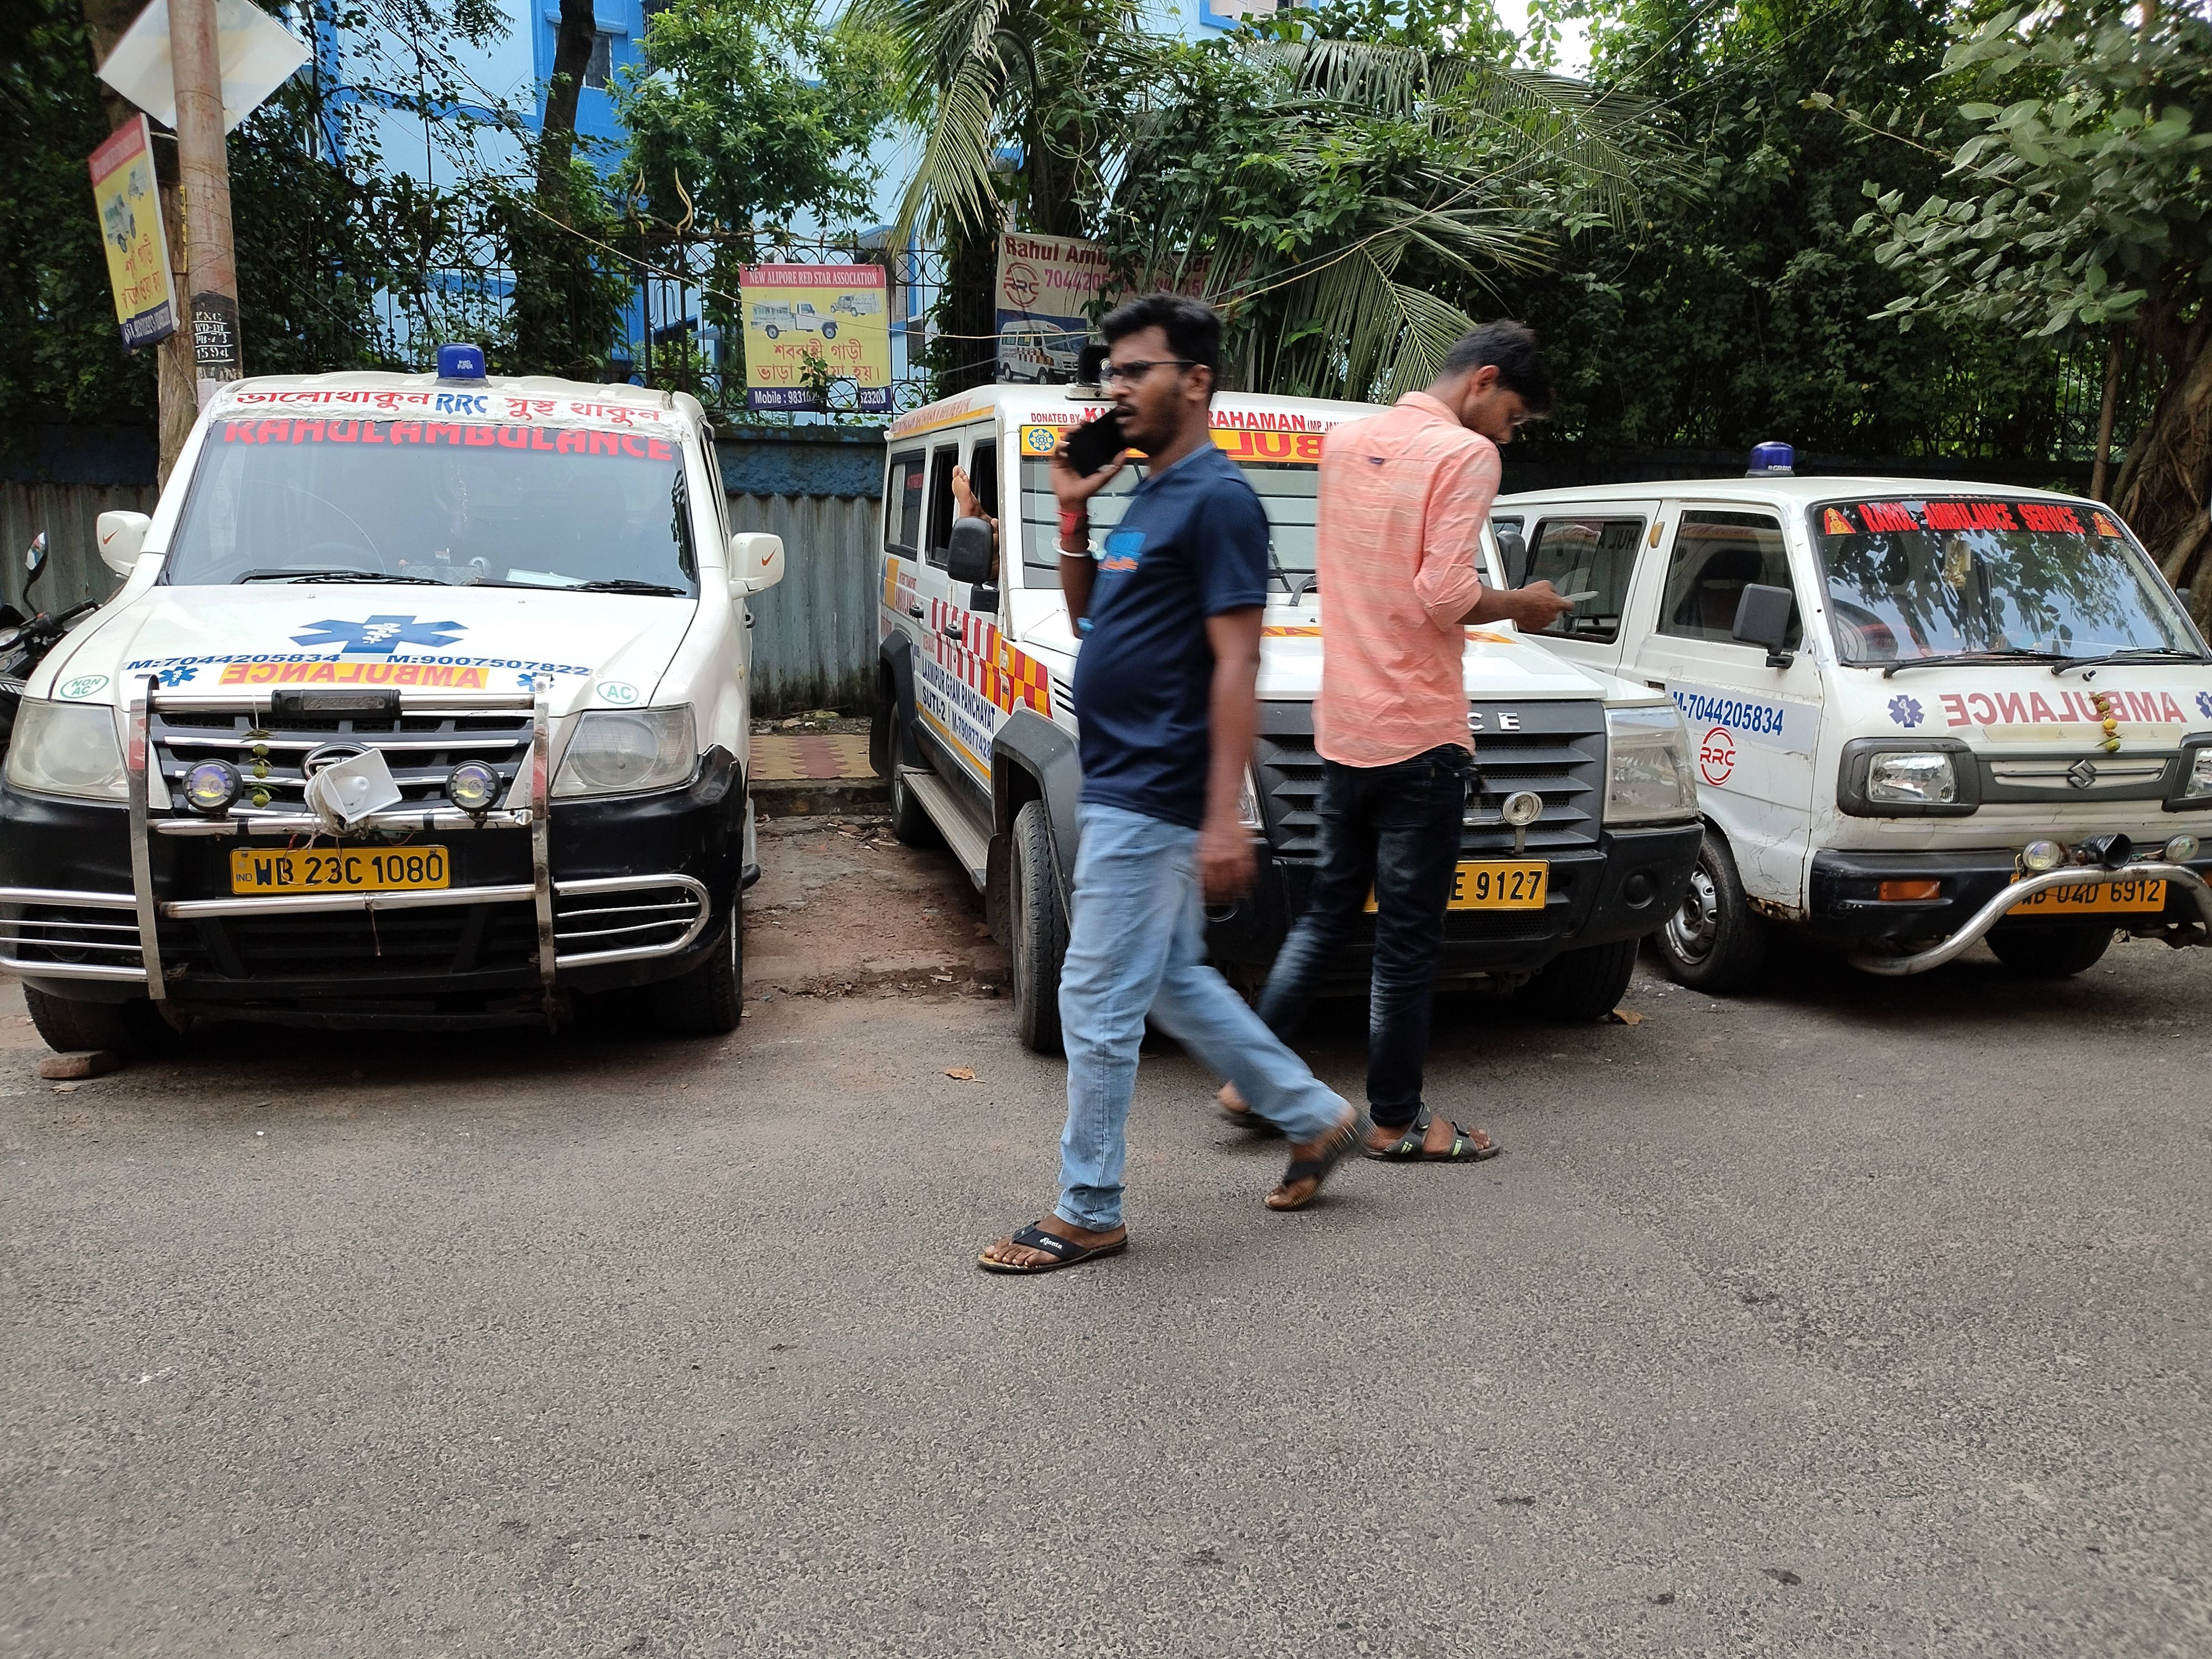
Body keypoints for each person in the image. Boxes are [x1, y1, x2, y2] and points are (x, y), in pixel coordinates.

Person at [978, 294, 1368, 1275]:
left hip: (1155, 787)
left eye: (1133, 371)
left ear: (1193, 382)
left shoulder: (1221, 500)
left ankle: (1089, 1205)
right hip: (1122, 772)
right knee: (1174, 981)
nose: (1115, 390)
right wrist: (1072, 508)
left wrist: (1221, 813)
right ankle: (1316, 1116)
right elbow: (1090, 621)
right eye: (1109, 374)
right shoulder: (1147, 496)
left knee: (1095, 995)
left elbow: (1239, 663)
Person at [1222, 321, 1574, 1164]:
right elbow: (1445, 593)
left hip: (1343, 724)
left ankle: (1252, 1080)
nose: (1508, 434)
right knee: (1408, 939)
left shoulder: (1345, 442)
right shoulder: (1465, 456)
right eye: (1515, 415)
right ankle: (1394, 1119)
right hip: (1419, 736)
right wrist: (1520, 605)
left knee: (1329, 911)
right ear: (1483, 382)